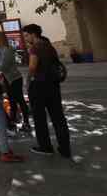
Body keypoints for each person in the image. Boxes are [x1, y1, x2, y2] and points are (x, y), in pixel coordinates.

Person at [23, 24, 72, 158]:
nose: (25, 38)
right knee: (58, 117)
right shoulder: (49, 46)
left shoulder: (35, 47)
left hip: (39, 85)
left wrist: (27, 82)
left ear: (33, 34)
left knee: (39, 118)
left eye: (27, 35)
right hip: (53, 84)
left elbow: (32, 67)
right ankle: (65, 147)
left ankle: (45, 146)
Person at [0, 31, 31, 133]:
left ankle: (26, 122)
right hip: (7, 78)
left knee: (20, 99)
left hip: (14, 78)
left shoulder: (7, 49)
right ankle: (13, 122)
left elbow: (2, 66)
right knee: (11, 100)